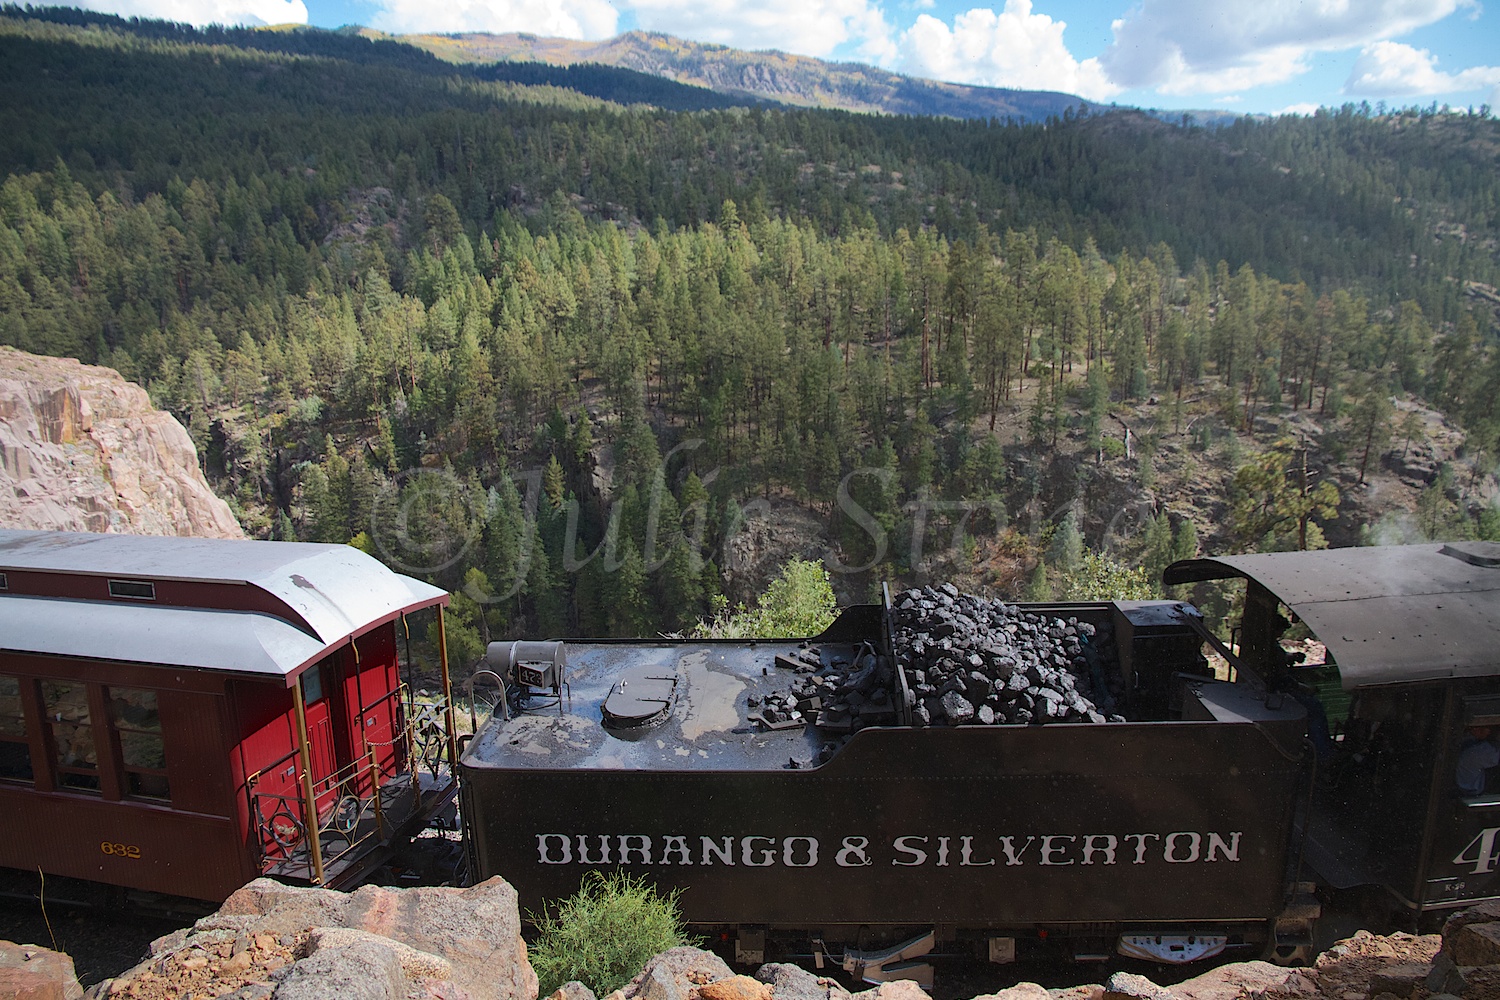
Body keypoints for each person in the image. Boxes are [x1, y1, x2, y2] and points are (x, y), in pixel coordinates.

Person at [1456, 725, 1500, 796]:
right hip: (1471, 795)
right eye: (1488, 728)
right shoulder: (1476, 750)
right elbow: (1493, 755)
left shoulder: (1473, 744)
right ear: (1476, 729)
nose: (1489, 732)